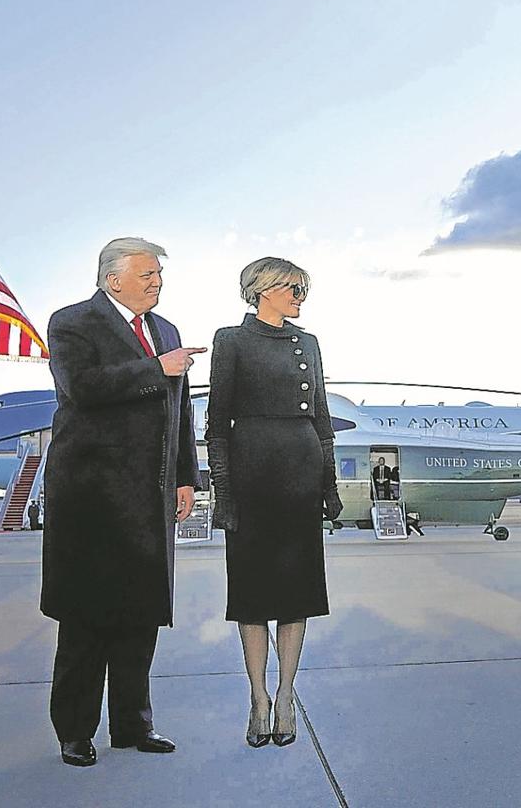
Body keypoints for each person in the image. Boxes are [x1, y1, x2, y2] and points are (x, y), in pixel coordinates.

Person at [41, 237, 203, 767]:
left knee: (140, 614)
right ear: (112, 279)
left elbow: (179, 411)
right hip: (91, 497)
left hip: (149, 497)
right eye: (147, 274)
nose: (157, 282)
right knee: (87, 618)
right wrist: (158, 368)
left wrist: (186, 476)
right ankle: (74, 731)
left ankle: (133, 726)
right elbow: (80, 388)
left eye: (159, 274)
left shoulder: (166, 332)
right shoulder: (72, 322)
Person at [207, 257, 341, 749]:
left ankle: (286, 695)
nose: (300, 297)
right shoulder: (232, 340)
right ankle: (257, 696)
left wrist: (328, 486)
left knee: (295, 595)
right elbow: (217, 425)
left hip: (300, 479)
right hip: (251, 478)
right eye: (292, 288)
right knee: (252, 597)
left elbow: (322, 420)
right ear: (262, 289)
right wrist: (224, 494)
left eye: (302, 289)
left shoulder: (308, 344)